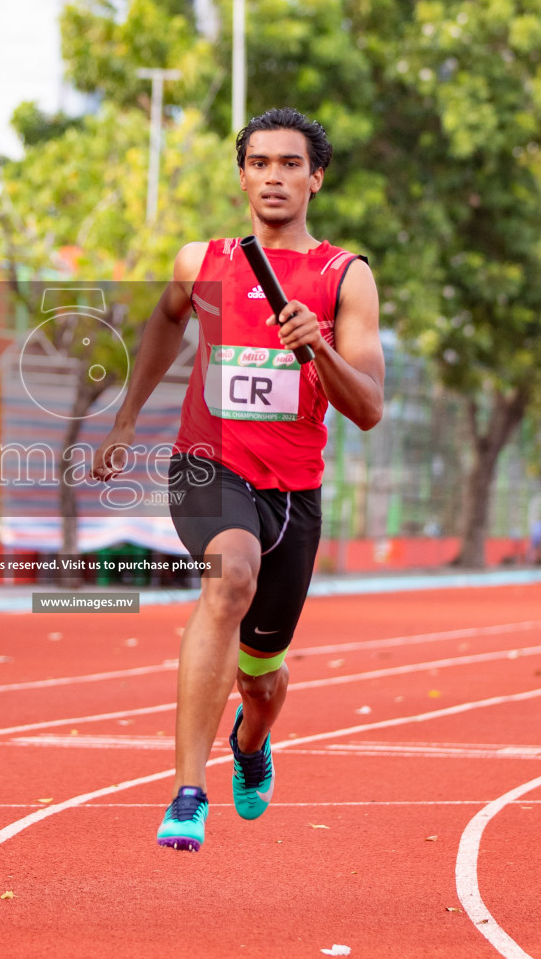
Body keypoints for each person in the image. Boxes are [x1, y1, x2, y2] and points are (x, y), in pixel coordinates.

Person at [92, 108, 384, 851]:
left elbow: (370, 408)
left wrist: (317, 349)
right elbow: (164, 319)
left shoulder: (344, 277)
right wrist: (126, 419)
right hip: (208, 468)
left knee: (263, 679)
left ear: (316, 178)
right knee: (228, 579)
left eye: (290, 164)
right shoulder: (204, 261)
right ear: (244, 175)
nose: (274, 176)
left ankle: (250, 745)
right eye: (260, 163)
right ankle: (188, 789)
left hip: (294, 492)